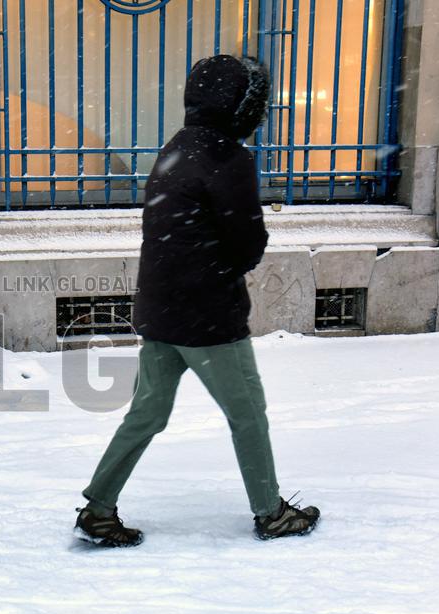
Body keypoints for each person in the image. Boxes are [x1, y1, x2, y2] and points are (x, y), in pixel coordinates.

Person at [74, 55, 320, 547]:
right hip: (209, 318)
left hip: (162, 311)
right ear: (242, 106)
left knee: (146, 413)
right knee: (247, 412)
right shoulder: (228, 157)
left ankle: (98, 509)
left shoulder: (177, 148)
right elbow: (247, 245)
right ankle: (271, 513)